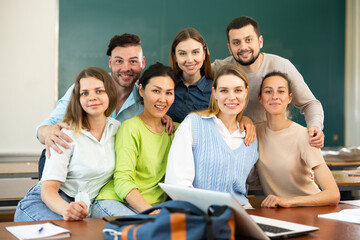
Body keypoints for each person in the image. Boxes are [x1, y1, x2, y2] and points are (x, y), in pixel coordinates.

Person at [35, 33, 175, 178]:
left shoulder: (144, 99)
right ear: (110, 62)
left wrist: (160, 118)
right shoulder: (86, 89)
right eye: (119, 61)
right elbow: (43, 129)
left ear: (143, 62)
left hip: (105, 174)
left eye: (133, 61)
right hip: (70, 166)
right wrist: (47, 132)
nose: (126, 68)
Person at [14, 67, 120, 221]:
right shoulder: (65, 133)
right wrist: (66, 209)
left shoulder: (117, 129)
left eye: (99, 91)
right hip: (48, 202)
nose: (92, 97)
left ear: (110, 93)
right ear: (77, 99)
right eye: (85, 93)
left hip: (83, 205)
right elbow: (48, 190)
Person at [212, 16, 325, 148]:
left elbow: (310, 103)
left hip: (274, 142)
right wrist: (240, 118)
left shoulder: (282, 66)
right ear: (230, 48)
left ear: (260, 41)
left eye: (248, 40)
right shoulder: (219, 69)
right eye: (236, 43)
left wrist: (315, 126)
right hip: (235, 144)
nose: (243, 47)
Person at [91, 62, 178, 217]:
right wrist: (151, 213)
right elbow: (123, 181)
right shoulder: (130, 128)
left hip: (151, 209)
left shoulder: (176, 130)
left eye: (169, 93)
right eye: (156, 91)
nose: (163, 99)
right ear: (142, 90)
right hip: (115, 202)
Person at [165, 64, 258, 209]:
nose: (231, 97)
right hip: (199, 214)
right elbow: (177, 185)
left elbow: (245, 187)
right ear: (214, 92)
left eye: (238, 90)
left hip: (240, 213)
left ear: (246, 92)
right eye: (224, 90)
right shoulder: (193, 124)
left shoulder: (250, 136)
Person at [256, 72, 340, 208]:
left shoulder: (303, 135)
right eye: (268, 91)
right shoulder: (254, 132)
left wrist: (289, 201)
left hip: (311, 210)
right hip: (281, 213)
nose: (275, 96)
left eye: (281, 91)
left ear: (290, 98)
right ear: (260, 98)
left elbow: (333, 194)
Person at [167, 28, 255, 145]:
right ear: (175, 57)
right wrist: (160, 117)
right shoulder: (166, 86)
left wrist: (244, 119)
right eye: (182, 53)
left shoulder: (216, 90)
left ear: (204, 54)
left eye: (195, 52)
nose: (189, 60)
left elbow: (229, 120)